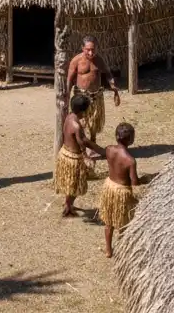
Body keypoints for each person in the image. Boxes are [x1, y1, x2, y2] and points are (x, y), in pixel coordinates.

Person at [88, 123, 140, 258]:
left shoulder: (110, 149)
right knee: (123, 222)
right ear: (131, 140)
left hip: (109, 187)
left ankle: (108, 250)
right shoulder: (130, 161)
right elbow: (134, 182)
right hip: (122, 192)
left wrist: (86, 142)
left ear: (116, 136)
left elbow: (100, 151)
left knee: (109, 222)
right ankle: (123, 249)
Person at [66, 36, 121, 145]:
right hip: (80, 95)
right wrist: (67, 94)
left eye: (93, 49)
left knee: (94, 120)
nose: (91, 53)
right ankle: (80, 142)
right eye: (88, 50)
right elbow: (69, 79)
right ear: (82, 48)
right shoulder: (76, 60)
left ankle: (93, 141)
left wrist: (112, 84)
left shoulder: (99, 60)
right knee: (80, 120)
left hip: (96, 95)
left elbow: (108, 73)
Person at [53, 92, 97, 217]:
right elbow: (82, 142)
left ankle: (68, 204)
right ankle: (68, 206)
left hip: (64, 153)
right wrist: (87, 156)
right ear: (83, 111)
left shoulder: (69, 117)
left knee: (70, 183)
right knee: (75, 184)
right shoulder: (77, 126)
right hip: (73, 158)